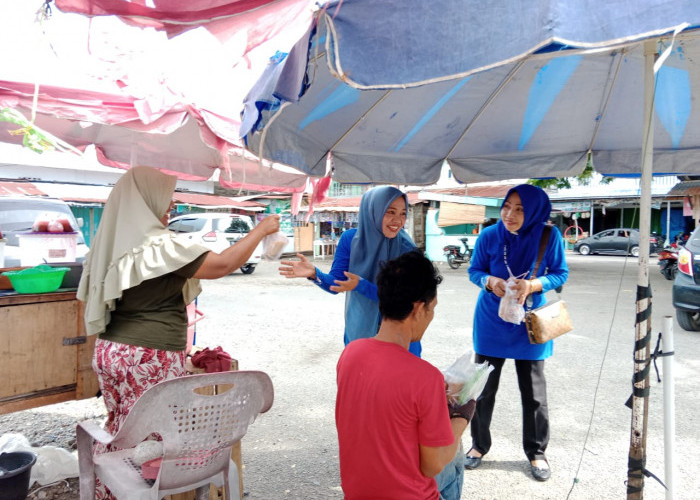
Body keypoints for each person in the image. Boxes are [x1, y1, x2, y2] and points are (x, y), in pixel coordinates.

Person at [77, 166, 279, 499]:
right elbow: (222, 264)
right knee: (151, 450)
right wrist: (260, 230)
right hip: (147, 354)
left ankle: (108, 492)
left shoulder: (110, 243)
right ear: (145, 199)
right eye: (165, 196)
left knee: (122, 435)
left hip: (111, 353)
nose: (170, 203)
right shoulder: (157, 245)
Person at [335, 250, 476, 500]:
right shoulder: (425, 377)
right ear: (418, 308)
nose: (431, 316)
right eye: (432, 308)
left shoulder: (350, 354)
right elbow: (432, 465)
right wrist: (463, 416)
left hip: (357, 492)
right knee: (453, 457)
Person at [463, 184, 568, 482]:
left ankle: (536, 452)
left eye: (520, 209)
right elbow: (474, 270)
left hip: (530, 323)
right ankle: (478, 445)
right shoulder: (489, 235)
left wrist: (533, 286)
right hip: (491, 323)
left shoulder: (549, 235)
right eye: (507, 206)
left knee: (534, 393)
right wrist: (489, 281)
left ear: (534, 210)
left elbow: (560, 273)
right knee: (483, 389)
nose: (510, 214)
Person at [279, 186, 422, 356]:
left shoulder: (408, 250)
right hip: (360, 330)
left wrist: (360, 285)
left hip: (401, 336)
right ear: (372, 211)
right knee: (361, 378)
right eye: (390, 212)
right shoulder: (350, 240)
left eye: (403, 213)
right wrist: (315, 274)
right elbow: (338, 284)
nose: (398, 221)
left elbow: (401, 299)